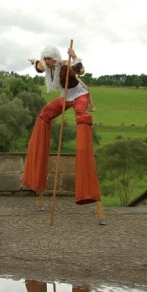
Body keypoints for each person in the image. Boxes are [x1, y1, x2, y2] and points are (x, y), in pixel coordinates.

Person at [22, 45, 104, 215]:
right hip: (65, 97)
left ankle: (83, 150)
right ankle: (37, 170)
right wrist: (34, 62)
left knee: (81, 114)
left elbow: (79, 70)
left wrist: (74, 56)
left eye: (49, 59)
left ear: (55, 58)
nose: (47, 62)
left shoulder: (65, 66)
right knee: (45, 113)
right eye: (45, 59)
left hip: (79, 96)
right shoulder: (48, 66)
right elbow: (40, 66)